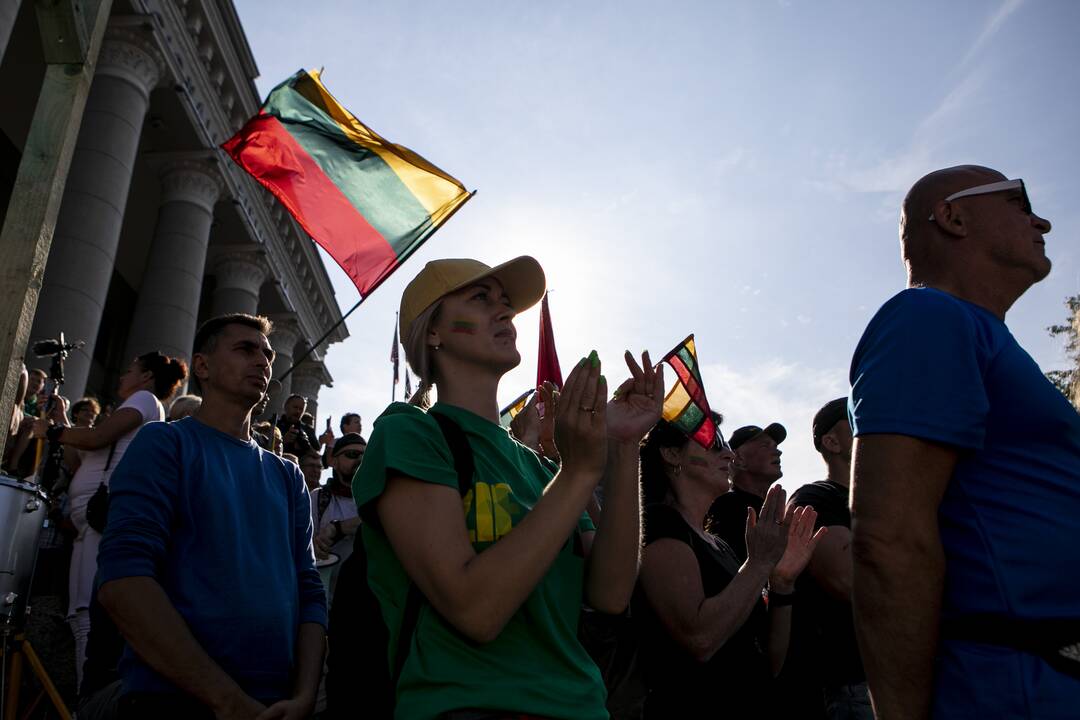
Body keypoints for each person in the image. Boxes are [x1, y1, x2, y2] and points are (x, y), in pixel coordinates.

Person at [354, 256, 661, 719]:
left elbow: (610, 593)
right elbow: (476, 611)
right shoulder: (410, 433)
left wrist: (624, 446)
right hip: (468, 705)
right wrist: (577, 472)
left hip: (582, 707)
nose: (504, 312)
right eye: (480, 299)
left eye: (505, 303)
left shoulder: (540, 469)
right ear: (432, 332)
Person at [848, 165, 1080, 719]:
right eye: (1021, 201)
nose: (1042, 219)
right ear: (954, 217)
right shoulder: (927, 316)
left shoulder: (984, 337)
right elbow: (888, 537)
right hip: (1017, 688)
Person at [96, 312, 326, 719]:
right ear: (202, 365)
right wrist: (227, 701)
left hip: (277, 706)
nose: (263, 362)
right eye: (245, 349)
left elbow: (309, 592)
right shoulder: (165, 443)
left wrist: (305, 694)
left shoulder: (288, 476)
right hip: (171, 701)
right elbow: (124, 580)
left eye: (268, 354)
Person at [635, 418, 824, 717]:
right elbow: (700, 639)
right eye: (713, 445)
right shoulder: (658, 525)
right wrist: (759, 563)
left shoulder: (720, 546)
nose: (728, 456)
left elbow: (770, 663)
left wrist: (782, 583)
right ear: (671, 454)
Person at [31, 351, 187, 688]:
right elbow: (83, 455)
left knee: (88, 611)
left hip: (105, 517)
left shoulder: (144, 399)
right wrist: (61, 422)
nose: (121, 376)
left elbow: (97, 438)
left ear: (146, 377)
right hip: (89, 521)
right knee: (78, 613)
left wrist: (54, 432)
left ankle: (88, 699)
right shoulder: (136, 405)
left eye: (130, 369)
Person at [787, 398, 868, 720]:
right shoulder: (814, 498)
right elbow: (849, 581)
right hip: (857, 683)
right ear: (831, 442)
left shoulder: (898, 498)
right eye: (857, 418)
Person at [707, 422, 786, 561]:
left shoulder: (773, 512)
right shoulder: (727, 507)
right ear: (738, 459)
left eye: (775, 446)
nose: (778, 451)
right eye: (765, 445)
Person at [311, 433, 365, 603]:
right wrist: (314, 545)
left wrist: (338, 527)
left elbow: (376, 520)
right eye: (352, 455)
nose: (360, 460)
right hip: (327, 602)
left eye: (365, 455)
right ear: (334, 461)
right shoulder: (318, 498)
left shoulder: (378, 498)